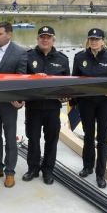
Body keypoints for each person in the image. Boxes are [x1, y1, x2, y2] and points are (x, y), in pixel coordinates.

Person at [72, 28, 107, 189]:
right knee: (88, 136)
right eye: (91, 39)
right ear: (88, 40)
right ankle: (87, 167)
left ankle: (100, 174)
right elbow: (74, 81)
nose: (94, 42)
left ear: (103, 40)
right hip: (86, 104)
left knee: (103, 139)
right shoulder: (79, 57)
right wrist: (74, 102)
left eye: (97, 39)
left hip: (104, 104)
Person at [0, 21, 27, 188]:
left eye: (0, 34)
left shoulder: (19, 53)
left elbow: (21, 79)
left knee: (10, 138)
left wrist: (19, 101)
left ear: (9, 35)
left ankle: (10, 172)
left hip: (8, 104)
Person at [23, 26, 70, 185]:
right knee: (33, 139)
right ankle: (33, 168)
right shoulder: (28, 56)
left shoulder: (62, 59)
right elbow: (20, 79)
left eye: (48, 37)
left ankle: (48, 170)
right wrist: (32, 77)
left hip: (52, 108)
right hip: (33, 107)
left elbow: (67, 85)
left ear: (53, 40)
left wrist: (65, 96)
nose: (45, 39)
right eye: (42, 37)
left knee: (51, 141)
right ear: (37, 39)